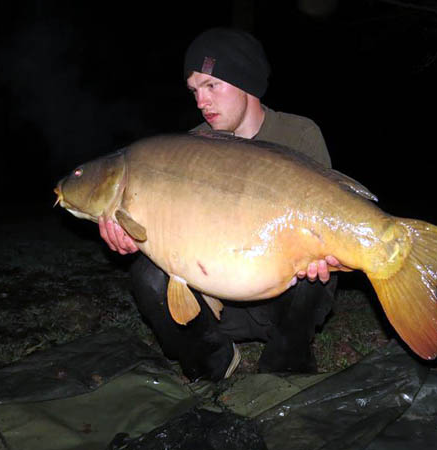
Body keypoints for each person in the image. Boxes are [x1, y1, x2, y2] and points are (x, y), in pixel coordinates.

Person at [100, 28, 342, 380]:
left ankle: (286, 359)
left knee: (314, 268)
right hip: (218, 306)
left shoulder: (299, 134)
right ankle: (211, 358)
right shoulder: (193, 147)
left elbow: (328, 217)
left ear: (246, 82)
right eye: (195, 91)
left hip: (283, 299)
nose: (201, 102)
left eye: (212, 86)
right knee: (147, 274)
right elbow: (173, 234)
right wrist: (133, 238)